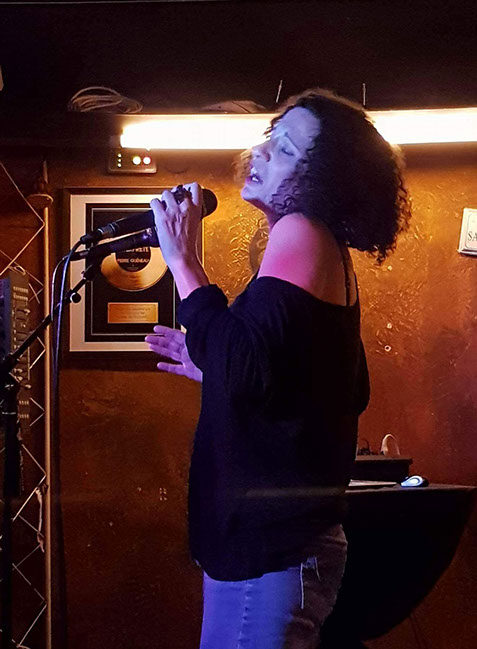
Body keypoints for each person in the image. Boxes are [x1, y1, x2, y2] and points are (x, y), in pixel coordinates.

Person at [145, 88, 411, 649]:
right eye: (272, 136)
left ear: (322, 180)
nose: (262, 151)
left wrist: (184, 263)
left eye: (286, 148)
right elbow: (330, 387)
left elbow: (249, 366)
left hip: (271, 553)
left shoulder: (300, 231)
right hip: (281, 553)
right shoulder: (323, 249)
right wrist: (212, 369)